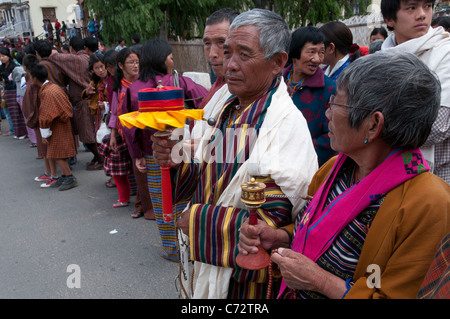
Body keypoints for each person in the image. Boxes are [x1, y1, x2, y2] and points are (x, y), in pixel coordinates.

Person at [237, 51, 450, 299]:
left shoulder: (431, 205)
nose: (327, 113)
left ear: (373, 124)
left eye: (336, 103)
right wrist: (280, 237)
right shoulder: (335, 169)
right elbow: (320, 233)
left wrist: (320, 281)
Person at [152, 9, 318, 299]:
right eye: (227, 53)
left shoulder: (285, 125)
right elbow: (214, 171)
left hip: (244, 281)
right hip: (206, 263)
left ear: (278, 61)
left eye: (243, 54)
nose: (229, 64)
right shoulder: (226, 105)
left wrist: (194, 220)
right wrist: (178, 160)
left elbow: (270, 221)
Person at [122, 38, 207, 262]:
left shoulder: (134, 89)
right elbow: (205, 102)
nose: (172, 60)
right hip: (183, 152)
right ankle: (188, 247)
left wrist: (137, 155)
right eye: (170, 56)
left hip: (152, 156)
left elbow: (131, 128)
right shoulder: (181, 82)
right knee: (185, 197)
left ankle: (170, 248)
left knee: (161, 201)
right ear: (162, 59)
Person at [381, 0, 450, 184]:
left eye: (427, 6)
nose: (422, 14)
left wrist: (379, 127)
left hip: (438, 176)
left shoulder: (444, 52)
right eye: (411, 8)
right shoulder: (382, 57)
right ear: (389, 19)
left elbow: (435, 127)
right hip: (388, 171)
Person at [283, 26, 337, 167]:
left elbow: (331, 137)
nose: (317, 59)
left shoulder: (329, 89)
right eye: (311, 52)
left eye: (321, 53)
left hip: (304, 166)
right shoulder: (275, 81)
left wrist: (293, 151)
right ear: (295, 52)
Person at [49, 37, 101, 170]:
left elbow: (54, 57)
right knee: (90, 133)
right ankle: (98, 157)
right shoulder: (90, 58)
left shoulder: (76, 59)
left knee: (87, 135)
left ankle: (101, 158)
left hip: (85, 101)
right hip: (90, 100)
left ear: (71, 48)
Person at [30, 64, 77, 191]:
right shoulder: (53, 87)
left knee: (57, 153)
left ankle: (69, 177)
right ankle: (64, 175)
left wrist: (44, 132)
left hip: (57, 125)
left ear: (34, 78)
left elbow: (46, 114)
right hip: (62, 123)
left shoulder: (48, 92)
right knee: (58, 152)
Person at [81, 53, 109, 170]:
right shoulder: (95, 82)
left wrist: (106, 106)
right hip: (98, 115)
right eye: (97, 68)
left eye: (102, 66)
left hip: (109, 115)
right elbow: (85, 95)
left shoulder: (110, 80)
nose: (101, 70)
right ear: (92, 70)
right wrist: (87, 92)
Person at [0, 47, 27, 139]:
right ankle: (16, 131)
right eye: (0, 56)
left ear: (8, 56)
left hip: (15, 90)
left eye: (3, 56)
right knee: (11, 112)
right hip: (7, 91)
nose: (1, 58)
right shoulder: (2, 67)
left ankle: (22, 132)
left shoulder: (14, 66)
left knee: (18, 112)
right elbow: (2, 80)